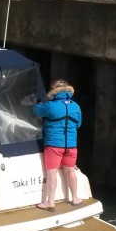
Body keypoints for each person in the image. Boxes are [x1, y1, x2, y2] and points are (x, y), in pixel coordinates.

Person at [33, 80, 82, 210]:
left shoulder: (51, 105)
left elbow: (36, 110)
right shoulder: (76, 106)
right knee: (71, 171)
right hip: (71, 146)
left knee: (51, 173)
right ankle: (75, 198)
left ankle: (50, 202)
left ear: (54, 90)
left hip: (54, 145)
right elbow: (78, 124)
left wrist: (37, 103)